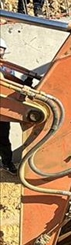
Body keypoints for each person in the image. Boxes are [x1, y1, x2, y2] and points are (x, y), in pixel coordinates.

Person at [0, 38, 17, 173]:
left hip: (3, 110)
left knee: (3, 139)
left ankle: (7, 163)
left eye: (1, 49)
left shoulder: (7, 68)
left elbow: (13, 85)